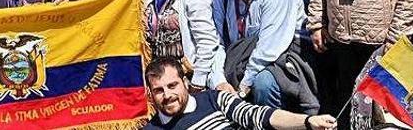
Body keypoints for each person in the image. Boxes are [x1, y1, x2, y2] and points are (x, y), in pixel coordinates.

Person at [209, 0, 307, 108]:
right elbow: (215, 42)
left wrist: (241, 91)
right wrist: (219, 82)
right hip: (240, 57)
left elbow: (268, 50)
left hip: (285, 54)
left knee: (263, 83)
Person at [142, 57, 336, 130]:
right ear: (150, 94)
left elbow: (260, 116)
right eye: (159, 90)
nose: (167, 95)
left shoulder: (214, 99)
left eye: (172, 85)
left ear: (185, 83)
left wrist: (307, 122)